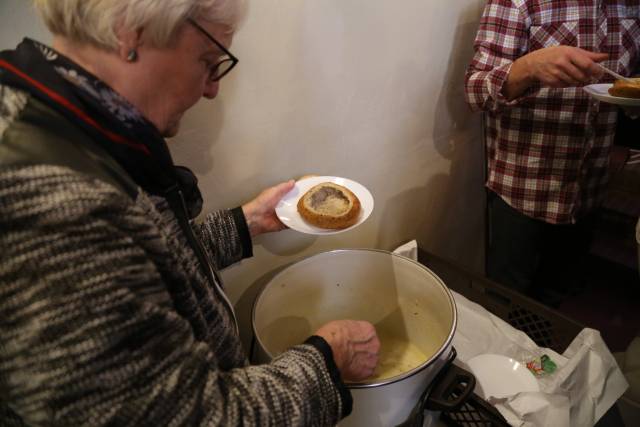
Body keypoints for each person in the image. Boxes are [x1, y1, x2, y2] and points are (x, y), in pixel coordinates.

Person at [0, 1, 380, 425]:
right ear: (132, 31)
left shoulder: (62, 124)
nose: (211, 89)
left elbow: (144, 263)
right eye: (208, 60)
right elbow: (190, 417)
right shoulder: (55, 206)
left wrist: (244, 224)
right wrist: (328, 360)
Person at [464, 0, 640, 305]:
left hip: (591, 186)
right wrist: (529, 67)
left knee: (558, 299)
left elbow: (626, 82)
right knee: (506, 302)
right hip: (523, 190)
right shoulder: (519, 2)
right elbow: (473, 90)